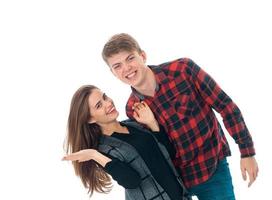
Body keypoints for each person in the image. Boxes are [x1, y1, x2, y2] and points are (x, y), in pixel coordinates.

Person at [101, 33, 259, 200]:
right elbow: (159, 150)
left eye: (130, 58)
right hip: (178, 184)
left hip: (213, 169)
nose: (126, 68)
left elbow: (225, 106)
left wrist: (247, 152)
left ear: (143, 56)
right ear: (113, 73)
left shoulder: (183, 70)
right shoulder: (133, 109)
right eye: (117, 66)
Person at [62, 85, 190, 200]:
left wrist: (152, 123)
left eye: (105, 97)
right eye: (99, 105)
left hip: (180, 195)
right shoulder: (103, 149)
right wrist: (94, 155)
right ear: (90, 119)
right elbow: (131, 181)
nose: (108, 103)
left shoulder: (133, 124)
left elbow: (169, 154)